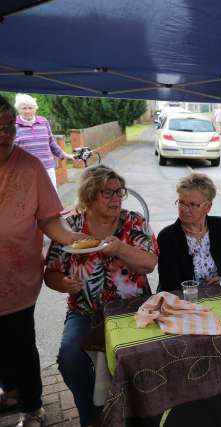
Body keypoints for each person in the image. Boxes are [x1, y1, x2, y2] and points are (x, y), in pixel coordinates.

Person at [44, 165, 158, 427]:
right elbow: (49, 273)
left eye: (120, 192)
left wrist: (120, 249)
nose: (117, 198)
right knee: (70, 358)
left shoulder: (134, 222)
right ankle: (92, 416)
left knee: (144, 356)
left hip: (134, 310)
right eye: (108, 193)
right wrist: (63, 283)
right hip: (85, 311)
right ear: (89, 196)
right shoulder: (69, 227)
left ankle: (139, 414)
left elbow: (149, 263)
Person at [0, 94, 86, 427]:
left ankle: (32, 407)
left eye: (9, 127)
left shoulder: (30, 167)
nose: (5, 134)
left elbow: (49, 219)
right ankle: (8, 386)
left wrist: (71, 238)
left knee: (20, 342)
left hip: (17, 276)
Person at [157, 173, 221, 291]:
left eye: (192, 205)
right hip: (184, 299)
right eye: (181, 203)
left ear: (208, 207)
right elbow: (170, 283)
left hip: (220, 293)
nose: (185, 209)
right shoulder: (167, 237)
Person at [14, 93, 74, 188]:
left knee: (50, 197)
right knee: (30, 199)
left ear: (35, 108)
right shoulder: (13, 125)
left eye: (30, 108)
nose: (27, 111)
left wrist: (64, 155)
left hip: (47, 168)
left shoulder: (43, 121)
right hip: (25, 170)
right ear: (18, 109)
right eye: (24, 108)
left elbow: (51, 143)